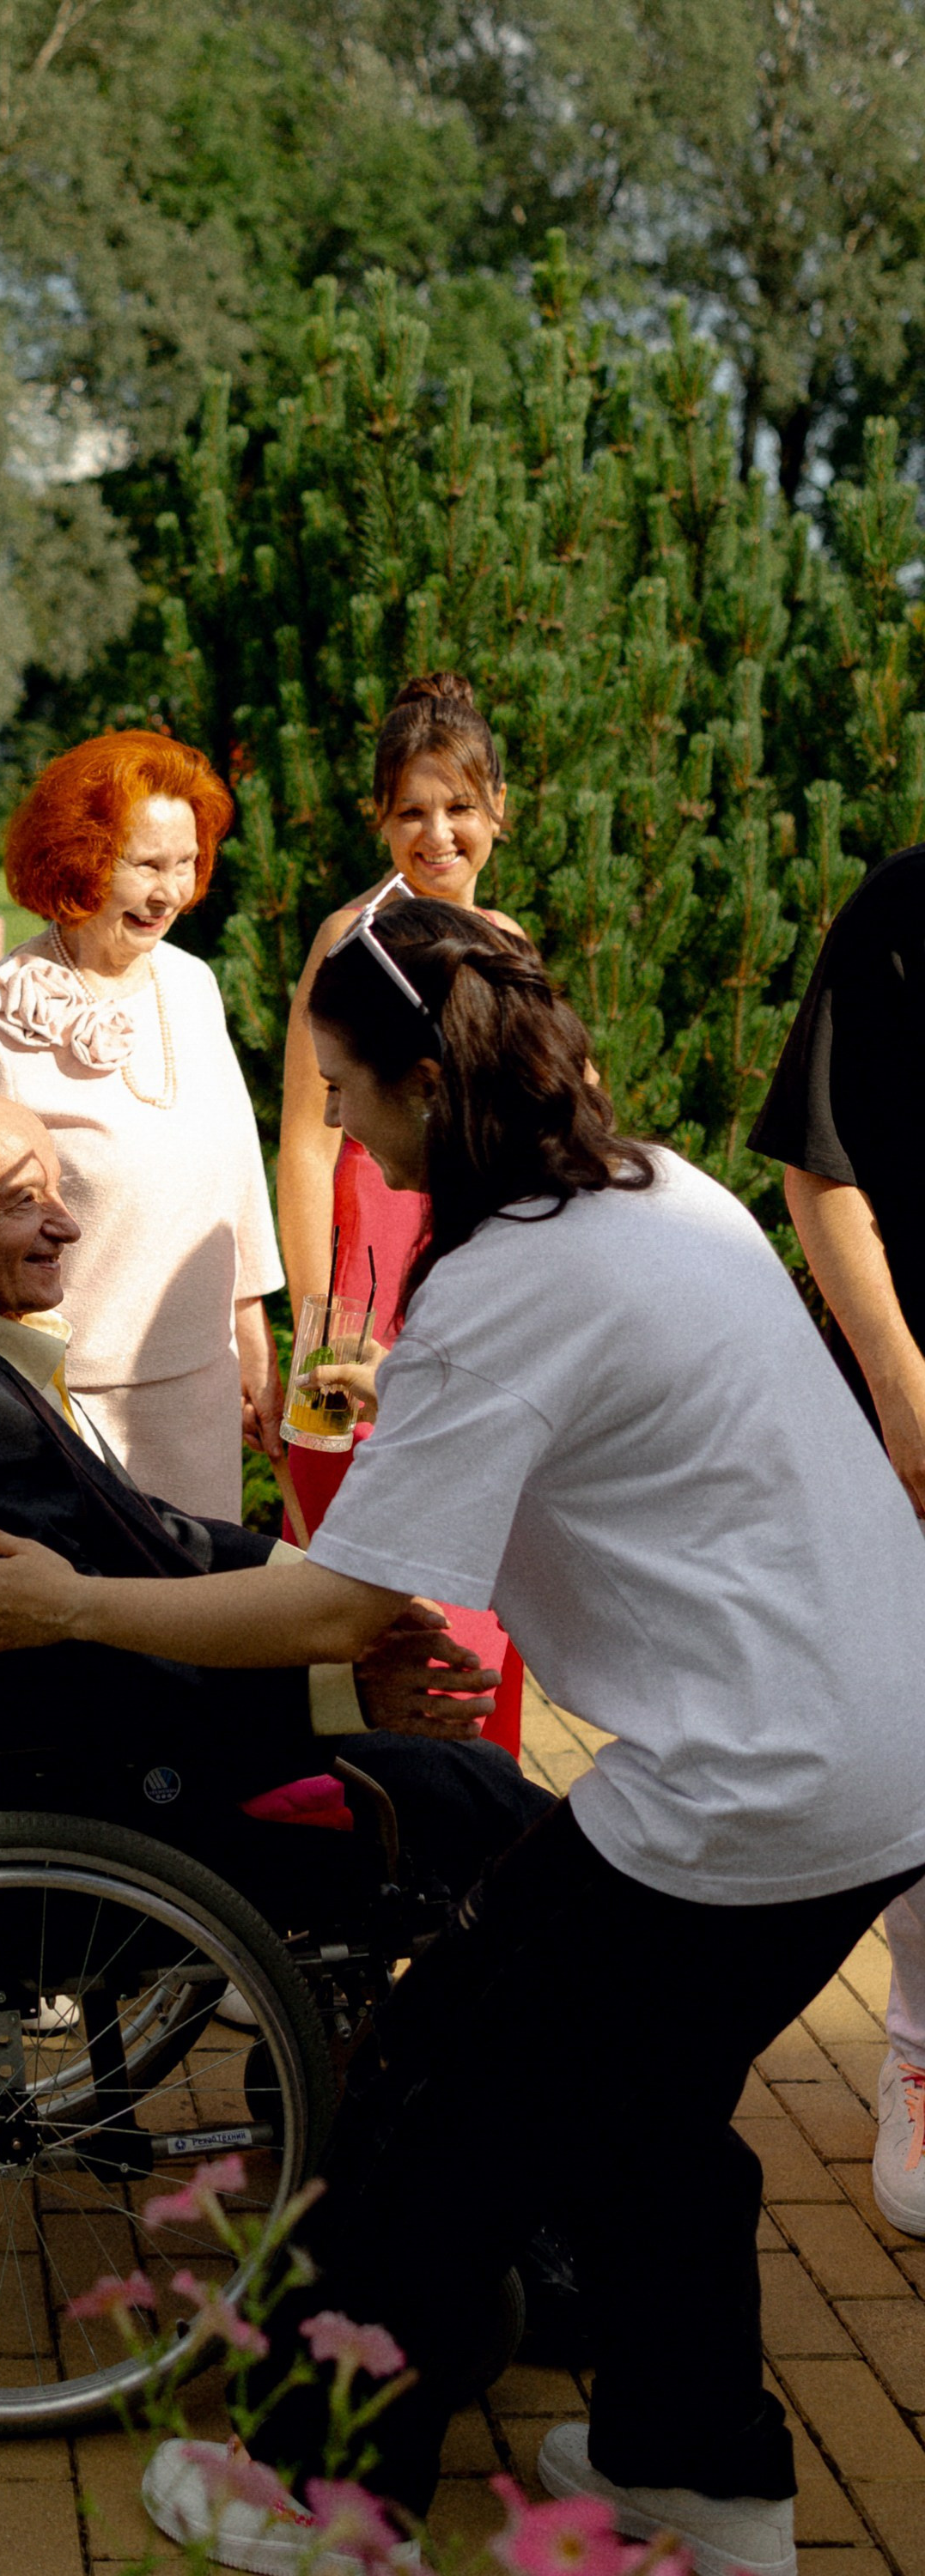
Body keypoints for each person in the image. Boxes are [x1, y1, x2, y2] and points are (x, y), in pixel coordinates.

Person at [0, 896, 925, 2576]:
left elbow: (327, 1611)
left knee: (425, 2104)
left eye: (345, 1088)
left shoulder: (509, 1283)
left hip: (752, 1785)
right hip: (891, 1746)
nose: (348, 1127)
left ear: (418, 1086)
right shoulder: (662, 1195)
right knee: (648, 2109)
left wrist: (72, 1607)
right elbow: (622, 1490)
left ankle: (327, 2499)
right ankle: (701, 2473)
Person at [0, 1071, 545, 1923]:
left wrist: (316, 1584)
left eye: (58, 1190)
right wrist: (339, 1688)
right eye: (22, 1202)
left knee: (467, 1784)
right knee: (464, 1796)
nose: (67, 1224)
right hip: (87, 1806)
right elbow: (71, 1682)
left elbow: (139, 1530)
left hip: (87, 1756)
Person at [0, 731, 283, 1522]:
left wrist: (251, 1335)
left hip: (200, 1383)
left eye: (185, 864)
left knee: (197, 1628)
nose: (170, 893)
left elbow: (236, 1171)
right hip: (63, 1403)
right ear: (80, 857)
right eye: (146, 865)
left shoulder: (192, 986)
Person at [277, 672, 528, 1755]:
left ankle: (485, 1803)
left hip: (481, 1271)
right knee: (365, 1568)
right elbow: (300, 1136)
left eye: (458, 807)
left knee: (484, 1575)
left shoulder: (508, 940)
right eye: (412, 810)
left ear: (497, 812)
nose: (439, 833)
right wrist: (316, 1316)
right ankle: (362, 1816)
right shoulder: (350, 938)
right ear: (379, 817)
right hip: (369, 1270)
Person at [751, 845, 925, 2236]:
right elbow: (824, 1172)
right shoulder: (907, 909)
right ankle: (921, 2062)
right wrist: (907, 1395)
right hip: (911, 1406)